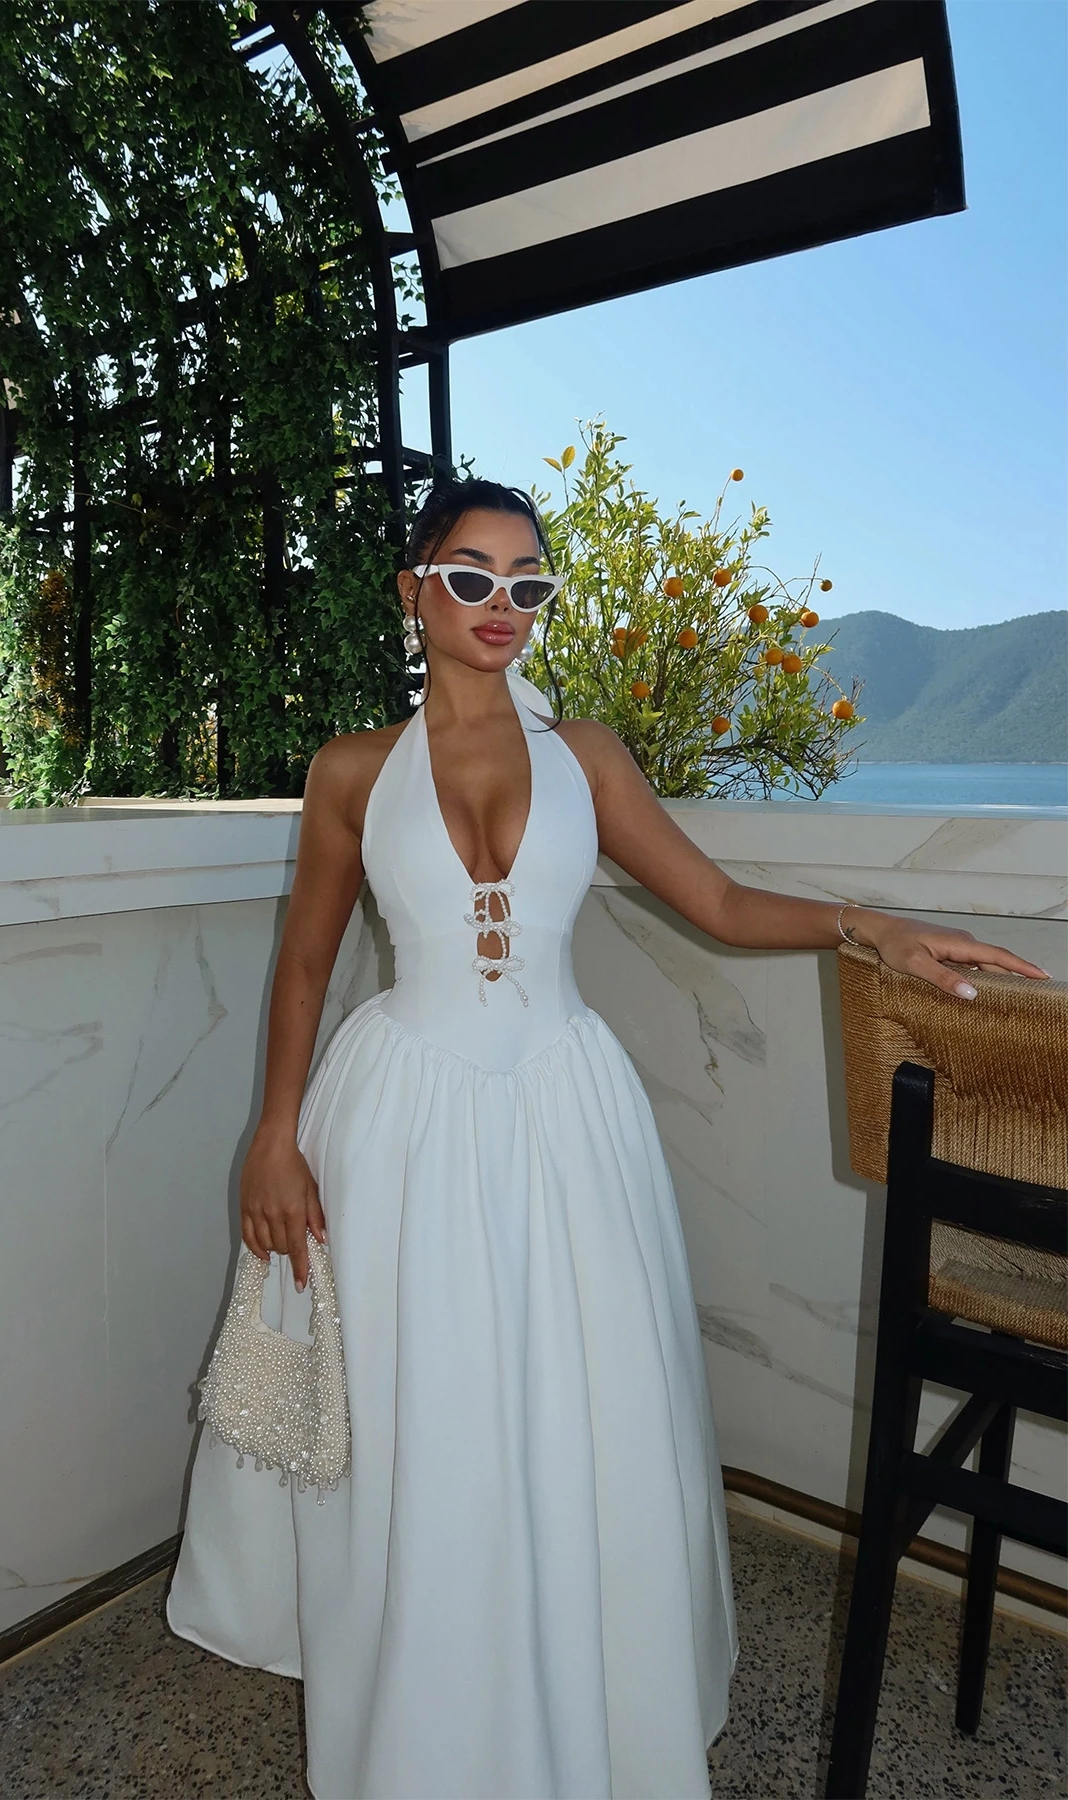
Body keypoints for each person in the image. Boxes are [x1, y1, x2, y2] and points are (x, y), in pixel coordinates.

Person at [166, 478, 1048, 1800]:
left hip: (567, 1118)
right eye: (471, 577)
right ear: (414, 590)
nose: (502, 605)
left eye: (528, 584)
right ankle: (424, 1727)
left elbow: (720, 902)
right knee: (419, 1423)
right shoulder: (350, 770)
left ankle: (585, 1715)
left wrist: (873, 926)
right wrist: (272, 1135)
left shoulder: (587, 756)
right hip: (397, 1123)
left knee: (578, 1414)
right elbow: (305, 965)